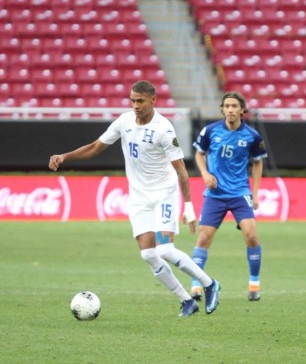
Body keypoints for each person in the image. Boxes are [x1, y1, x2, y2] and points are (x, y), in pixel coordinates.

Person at [48, 80, 220, 317]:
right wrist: (65, 156)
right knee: (148, 254)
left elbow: (181, 170)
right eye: (133, 101)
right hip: (139, 197)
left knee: (166, 250)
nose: (136, 105)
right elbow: (96, 146)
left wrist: (188, 205)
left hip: (164, 194)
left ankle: (210, 284)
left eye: (140, 101)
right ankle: (187, 301)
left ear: (153, 100)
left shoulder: (164, 129)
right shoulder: (124, 121)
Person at [189, 91, 267, 302]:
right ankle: (196, 284)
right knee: (204, 238)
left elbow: (258, 162)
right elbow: (199, 153)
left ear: (242, 110)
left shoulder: (252, 136)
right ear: (222, 109)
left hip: (240, 192)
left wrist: (256, 192)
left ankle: (254, 283)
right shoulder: (210, 131)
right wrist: (205, 174)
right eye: (227, 106)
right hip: (215, 194)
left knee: (251, 235)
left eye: (235, 106)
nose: (230, 109)